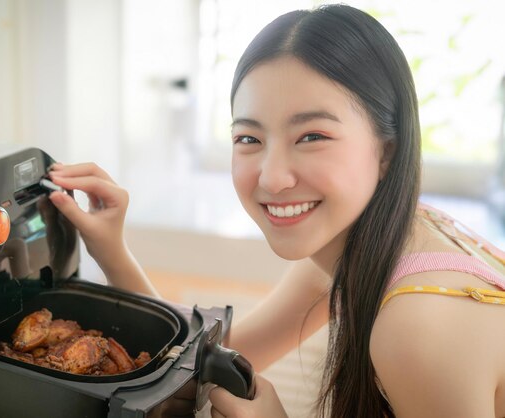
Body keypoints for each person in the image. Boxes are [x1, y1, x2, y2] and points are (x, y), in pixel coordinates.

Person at [46, 4, 505, 417]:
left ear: (386, 152)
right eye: (249, 139)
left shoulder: (417, 327)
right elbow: (210, 360)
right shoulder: (371, 242)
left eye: (312, 136)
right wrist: (111, 249)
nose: (271, 177)